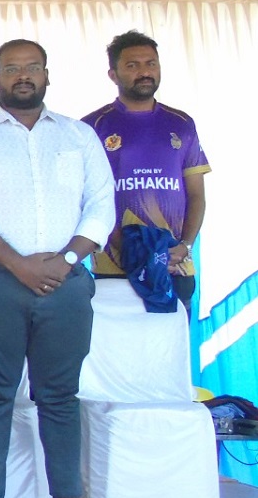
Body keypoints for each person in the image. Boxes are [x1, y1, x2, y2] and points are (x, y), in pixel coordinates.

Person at [0, 39, 116, 498]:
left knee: (60, 396)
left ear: (47, 75)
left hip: (65, 283)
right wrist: (18, 265)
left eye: (32, 67)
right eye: (12, 68)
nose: (23, 76)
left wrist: (66, 261)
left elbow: (101, 205)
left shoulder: (78, 135)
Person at [82, 30, 210, 315]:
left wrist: (185, 246)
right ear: (113, 74)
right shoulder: (92, 126)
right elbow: (85, 198)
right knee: (119, 345)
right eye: (132, 65)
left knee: (173, 343)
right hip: (115, 267)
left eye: (151, 63)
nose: (144, 72)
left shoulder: (182, 123)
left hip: (175, 265)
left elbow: (197, 195)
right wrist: (127, 250)